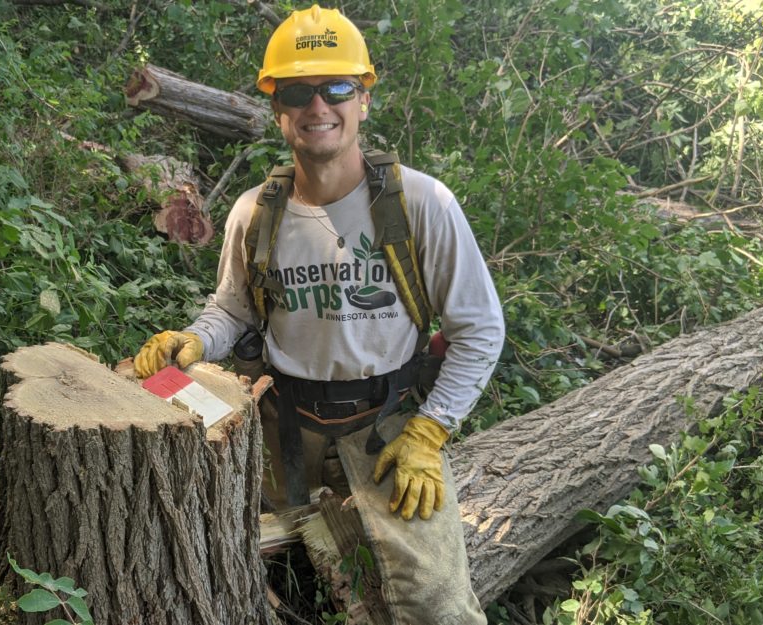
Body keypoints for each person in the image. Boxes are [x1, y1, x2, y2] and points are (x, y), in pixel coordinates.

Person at [133, 5, 504, 623]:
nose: (318, 107)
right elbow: (232, 308)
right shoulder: (257, 213)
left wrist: (432, 429)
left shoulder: (421, 204)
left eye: (337, 89)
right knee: (243, 573)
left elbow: (479, 327)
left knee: (436, 605)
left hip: (387, 429)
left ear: (363, 100)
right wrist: (194, 339)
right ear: (277, 107)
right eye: (299, 91)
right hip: (285, 427)